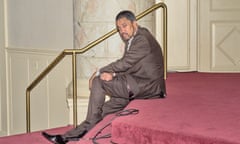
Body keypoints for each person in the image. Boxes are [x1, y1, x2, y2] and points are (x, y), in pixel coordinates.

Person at [42, 10, 166, 144]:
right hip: (138, 82)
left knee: (98, 82)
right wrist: (112, 74)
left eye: (124, 26)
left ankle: (82, 129)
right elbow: (130, 64)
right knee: (102, 110)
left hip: (148, 87)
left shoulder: (142, 39)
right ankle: (69, 136)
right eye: (119, 28)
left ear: (134, 23)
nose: (121, 31)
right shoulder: (136, 36)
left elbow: (125, 63)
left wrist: (99, 73)